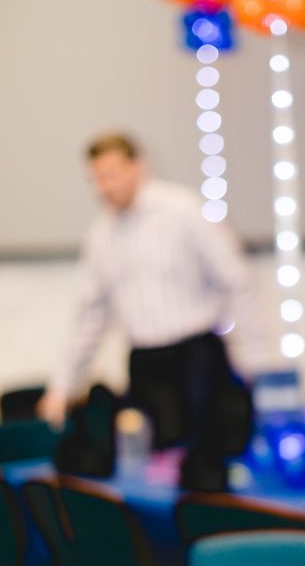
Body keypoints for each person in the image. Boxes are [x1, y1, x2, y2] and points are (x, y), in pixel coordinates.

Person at [39, 133, 261, 453]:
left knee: (204, 455)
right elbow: (90, 316)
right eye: (96, 179)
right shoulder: (101, 234)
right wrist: (62, 386)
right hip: (144, 363)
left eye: (112, 175)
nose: (104, 187)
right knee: (152, 459)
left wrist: (256, 363)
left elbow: (237, 280)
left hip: (195, 358)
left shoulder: (184, 210)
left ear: (138, 166)